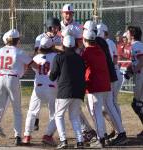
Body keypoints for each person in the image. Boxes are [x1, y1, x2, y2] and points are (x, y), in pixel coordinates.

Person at [0, 29, 36, 146]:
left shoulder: (0, 51)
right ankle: (17, 137)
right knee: (17, 110)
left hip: (1, 78)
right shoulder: (19, 52)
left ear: (7, 39)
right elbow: (33, 64)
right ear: (18, 40)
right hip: (13, 79)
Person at [61, 4, 96, 142]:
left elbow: (81, 45)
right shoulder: (58, 27)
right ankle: (86, 130)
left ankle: (87, 130)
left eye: (70, 13)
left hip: (74, 66)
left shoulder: (77, 27)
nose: (68, 15)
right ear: (62, 13)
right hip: (63, 65)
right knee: (71, 102)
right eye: (66, 13)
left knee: (73, 101)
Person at [49, 35, 86, 149]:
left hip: (65, 91)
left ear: (63, 45)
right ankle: (80, 141)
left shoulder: (59, 57)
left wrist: (50, 73)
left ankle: (63, 140)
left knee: (59, 115)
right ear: (74, 46)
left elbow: (52, 77)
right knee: (74, 117)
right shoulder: (80, 58)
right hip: (79, 91)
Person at [23, 36, 58, 145]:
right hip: (52, 87)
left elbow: (35, 67)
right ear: (51, 46)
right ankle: (47, 135)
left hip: (38, 87)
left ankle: (27, 136)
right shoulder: (56, 56)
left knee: (32, 112)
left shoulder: (36, 57)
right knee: (55, 113)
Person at [96, 22, 127, 145]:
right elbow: (114, 59)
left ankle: (120, 131)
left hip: (111, 76)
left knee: (109, 104)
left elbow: (111, 60)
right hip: (115, 73)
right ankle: (118, 129)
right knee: (111, 103)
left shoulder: (105, 42)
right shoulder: (111, 42)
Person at [33, 17, 61, 131]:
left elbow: (61, 50)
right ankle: (35, 120)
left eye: (57, 27)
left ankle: (50, 125)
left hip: (52, 71)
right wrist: (53, 49)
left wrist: (51, 49)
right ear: (49, 27)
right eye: (53, 27)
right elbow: (37, 52)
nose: (55, 29)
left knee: (52, 104)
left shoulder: (59, 38)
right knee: (36, 102)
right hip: (42, 69)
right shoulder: (40, 37)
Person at [126, 26, 143, 137]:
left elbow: (142, 60)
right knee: (138, 104)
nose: (126, 34)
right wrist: (130, 69)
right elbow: (135, 61)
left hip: (141, 77)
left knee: (137, 104)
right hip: (139, 76)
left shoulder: (137, 45)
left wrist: (133, 70)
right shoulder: (135, 45)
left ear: (132, 35)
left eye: (127, 32)